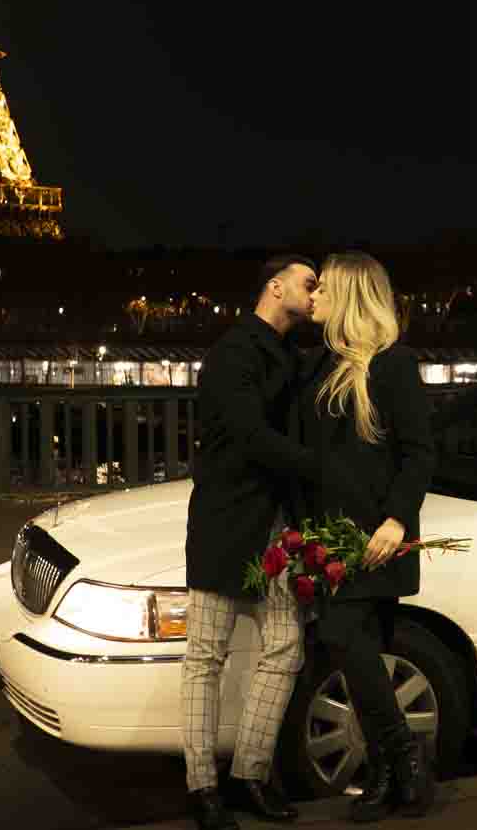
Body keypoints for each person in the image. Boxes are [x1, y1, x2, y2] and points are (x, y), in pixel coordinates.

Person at [183, 254, 329, 830]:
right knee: (205, 657)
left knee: (283, 648)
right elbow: (250, 436)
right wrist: (323, 467)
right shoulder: (234, 354)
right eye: (308, 283)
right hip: (229, 522)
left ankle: (248, 773)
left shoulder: (282, 356)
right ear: (274, 287)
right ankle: (204, 787)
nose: (315, 294)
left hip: (269, 525)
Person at [294, 251, 438, 822]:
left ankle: (402, 760)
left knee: (345, 638)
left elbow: (419, 452)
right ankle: (390, 773)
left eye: (325, 288)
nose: (315, 296)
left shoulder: (393, 365)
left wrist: (397, 520)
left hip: (377, 535)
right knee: (363, 657)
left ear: (350, 296)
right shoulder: (322, 363)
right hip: (331, 537)